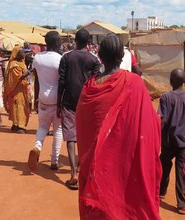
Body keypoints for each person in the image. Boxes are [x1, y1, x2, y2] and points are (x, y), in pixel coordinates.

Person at [76, 34, 162, 219]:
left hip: (95, 163)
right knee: (121, 197)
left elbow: (83, 126)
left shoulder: (88, 87)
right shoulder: (134, 83)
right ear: (122, 57)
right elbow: (149, 124)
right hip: (122, 159)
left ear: (100, 57)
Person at [57, 29, 100, 189]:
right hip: (87, 103)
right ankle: (82, 169)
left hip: (68, 102)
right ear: (88, 42)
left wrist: (58, 104)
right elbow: (96, 83)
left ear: (75, 41)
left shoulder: (66, 57)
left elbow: (61, 82)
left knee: (71, 137)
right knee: (86, 136)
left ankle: (74, 173)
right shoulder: (94, 60)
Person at [28, 31, 63, 170]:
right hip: (57, 100)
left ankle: (37, 147)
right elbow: (62, 82)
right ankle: (54, 161)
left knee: (42, 127)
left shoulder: (37, 58)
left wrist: (37, 98)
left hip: (43, 98)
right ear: (56, 43)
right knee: (58, 130)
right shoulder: (60, 59)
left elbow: (36, 80)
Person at [158, 68, 185, 215]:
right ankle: (182, 204)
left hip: (168, 141)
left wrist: (155, 133)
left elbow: (163, 119)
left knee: (164, 167)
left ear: (170, 81)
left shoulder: (165, 97)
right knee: (182, 172)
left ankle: (160, 192)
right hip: (183, 143)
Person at [4, 45, 30, 134]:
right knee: (18, 107)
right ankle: (19, 126)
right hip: (15, 89)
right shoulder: (13, 65)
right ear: (17, 54)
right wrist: (28, 73)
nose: (24, 54)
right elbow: (17, 78)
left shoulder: (22, 62)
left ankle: (15, 125)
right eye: (22, 52)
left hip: (22, 89)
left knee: (21, 106)